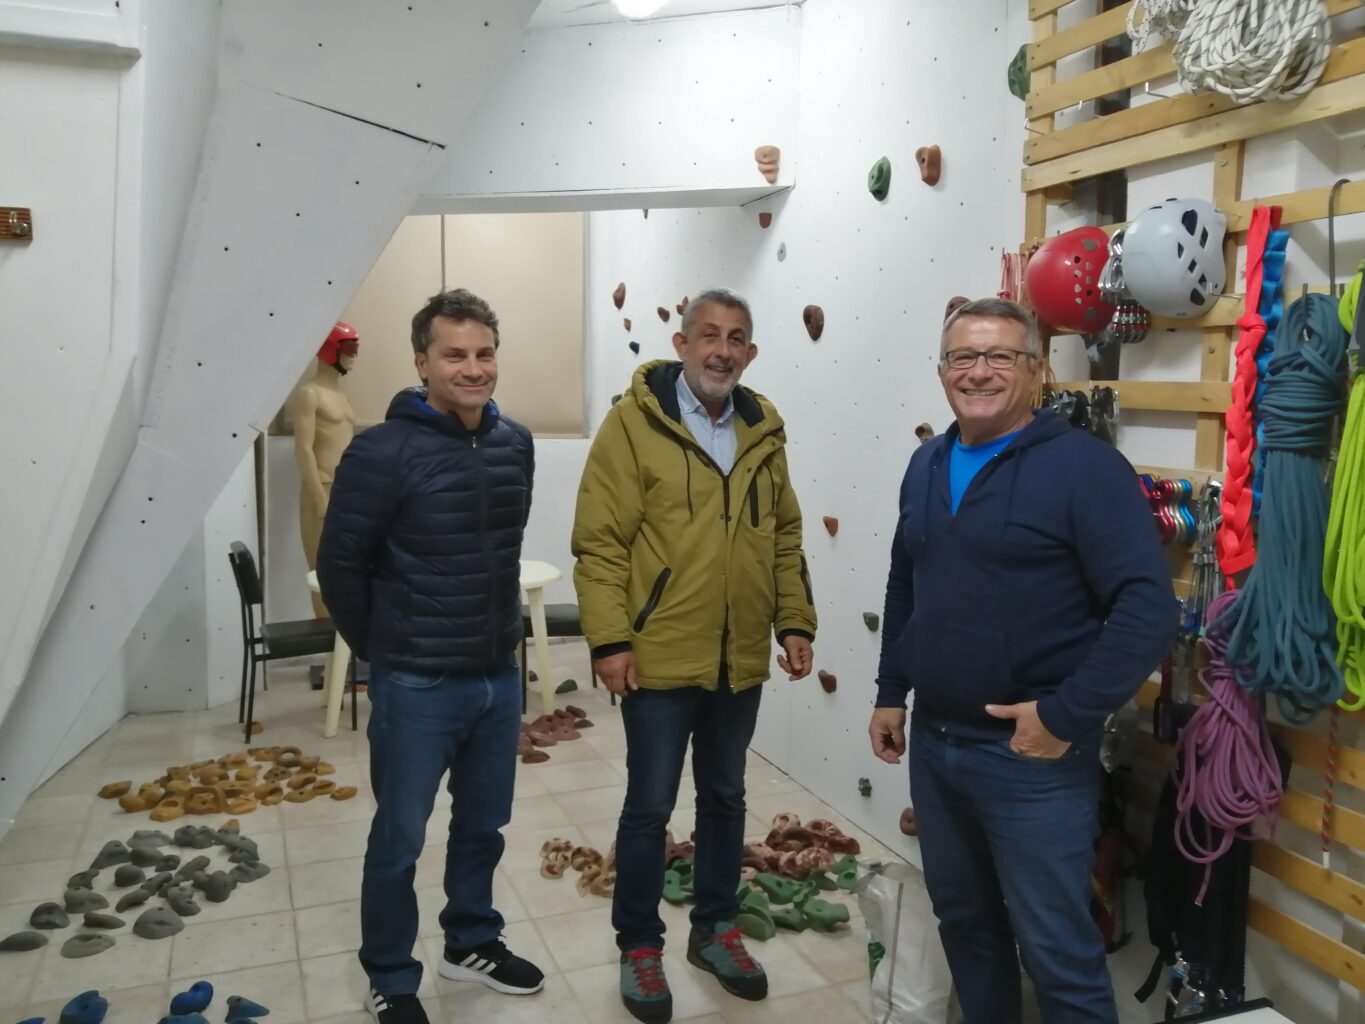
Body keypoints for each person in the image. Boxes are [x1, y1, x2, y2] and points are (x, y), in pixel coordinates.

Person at [867, 297, 1178, 1024]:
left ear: (1035, 371)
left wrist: (1065, 716)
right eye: (962, 357)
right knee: (967, 926)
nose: (978, 372)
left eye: (1000, 356)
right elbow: (908, 581)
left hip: (1029, 759)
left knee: (1057, 953)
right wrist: (890, 691)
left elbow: (1147, 609)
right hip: (935, 745)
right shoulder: (926, 463)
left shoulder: (1085, 469)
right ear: (942, 371)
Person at [572, 287, 818, 1024]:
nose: (721, 350)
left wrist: (793, 622)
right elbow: (600, 543)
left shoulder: (762, 431)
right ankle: (638, 945)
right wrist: (610, 639)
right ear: (681, 344)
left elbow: (783, 535)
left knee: (725, 798)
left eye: (736, 338)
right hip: (658, 655)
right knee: (648, 806)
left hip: (737, 658)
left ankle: (714, 930)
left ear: (750, 352)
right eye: (708, 335)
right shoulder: (632, 424)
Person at [318, 289, 544, 1024]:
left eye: (483, 353)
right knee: (400, 838)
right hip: (416, 682)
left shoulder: (515, 443)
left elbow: (503, 550)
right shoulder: (380, 451)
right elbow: (341, 567)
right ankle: (390, 972)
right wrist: (386, 652)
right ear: (422, 362)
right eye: (454, 355)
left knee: (483, 825)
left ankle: (470, 942)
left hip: (496, 676)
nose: (473, 368)